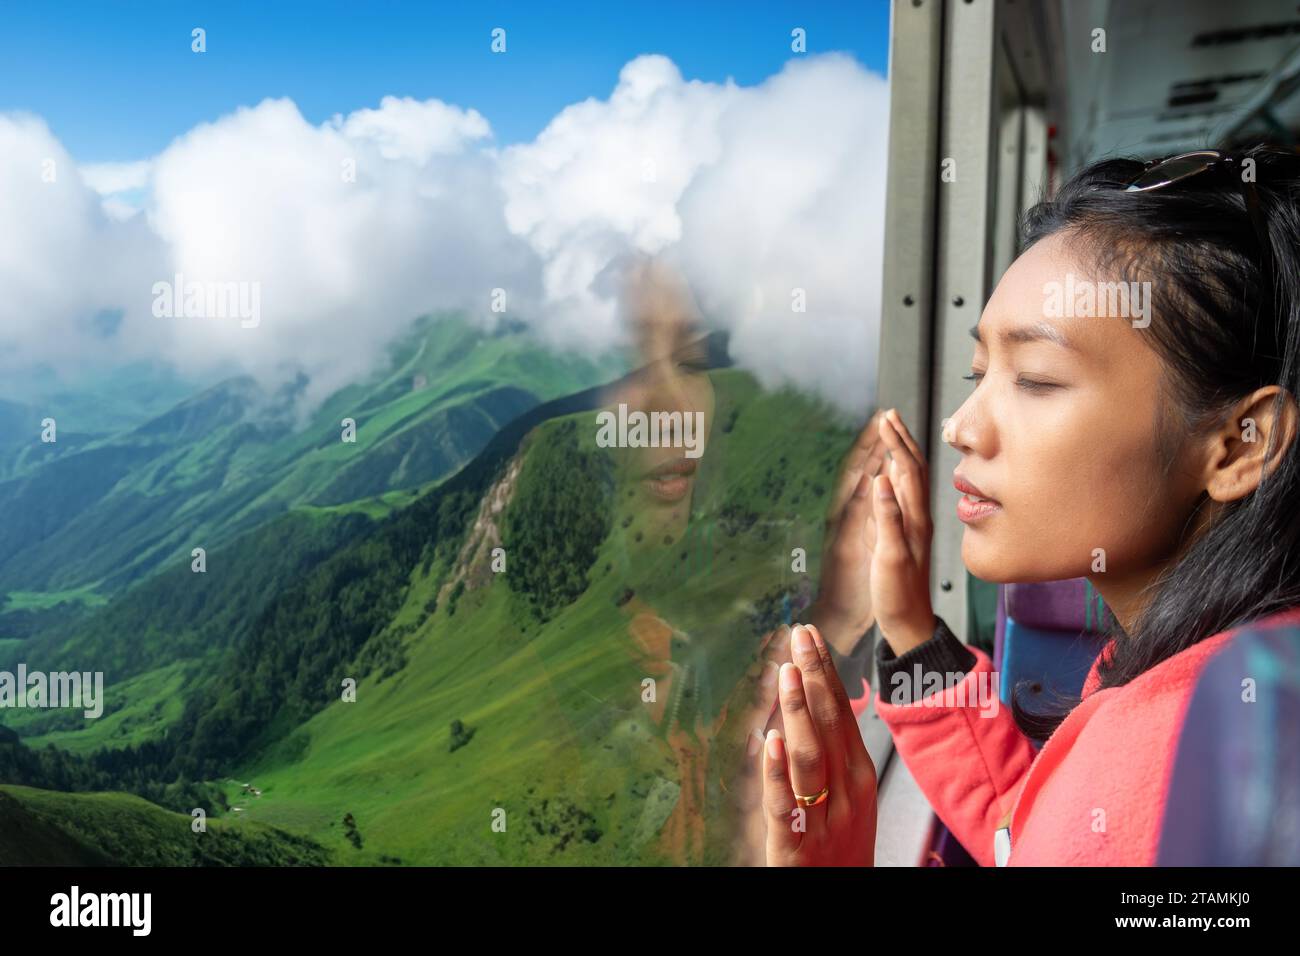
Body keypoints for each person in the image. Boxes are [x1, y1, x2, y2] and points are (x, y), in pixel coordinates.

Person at [759, 145, 1300, 866]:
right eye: (979, 372)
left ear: (1239, 445)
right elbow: (1036, 830)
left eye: (1038, 380)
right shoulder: (1195, 686)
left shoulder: (1171, 740)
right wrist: (913, 632)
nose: (959, 427)